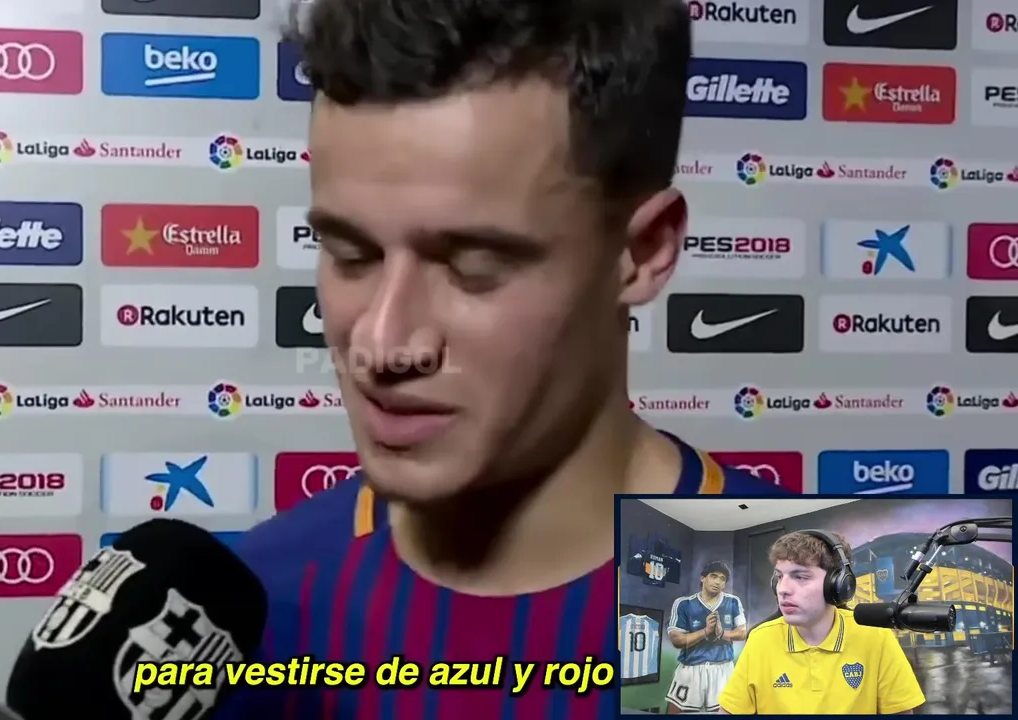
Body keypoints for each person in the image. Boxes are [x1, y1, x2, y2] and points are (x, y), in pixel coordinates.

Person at [222, 0, 787, 717]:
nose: (383, 343)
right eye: (349, 253)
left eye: (475, 266)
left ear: (643, 252)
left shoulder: (827, 621)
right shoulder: (249, 614)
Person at [717, 531, 925, 715]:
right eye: (779, 577)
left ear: (837, 585)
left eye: (800, 577)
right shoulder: (760, 640)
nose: (783, 589)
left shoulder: (876, 637)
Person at [666, 561, 746, 714]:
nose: (718, 582)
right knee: (678, 712)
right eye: (713, 576)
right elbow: (677, 640)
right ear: (703, 578)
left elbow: (742, 633)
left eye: (722, 579)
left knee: (724, 711)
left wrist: (721, 634)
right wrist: (705, 631)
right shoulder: (684, 604)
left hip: (722, 668)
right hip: (691, 668)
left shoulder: (732, 602)